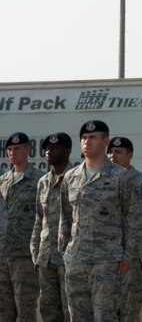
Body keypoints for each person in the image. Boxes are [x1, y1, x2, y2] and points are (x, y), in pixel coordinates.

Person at [59, 120, 142, 322]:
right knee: (78, 317)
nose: (87, 142)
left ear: (105, 141)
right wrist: (64, 252)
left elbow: (135, 219)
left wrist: (128, 256)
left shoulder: (121, 177)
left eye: (93, 137)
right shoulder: (70, 178)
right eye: (84, 138)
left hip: (107, 262)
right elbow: (65, 218)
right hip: (76, 260)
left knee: (105, 317)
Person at [31, 132, 74, 322]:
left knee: (70, 309)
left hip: (69, 257)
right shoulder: (43, 182)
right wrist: (36, 252)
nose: (49, 152)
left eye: (55, 148)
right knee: (48, 308)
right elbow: (40, 220)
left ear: (68, 150)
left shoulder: (76, 178)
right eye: (47, 149)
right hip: (46, 257)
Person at [106, 136, 142, 322]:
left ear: (129, 155)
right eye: (110, 152)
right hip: (107, 256)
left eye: (118, 152)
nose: (112, 156)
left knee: (129, 311)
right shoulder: (103, 181)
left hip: (134, 259)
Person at [0, 132, 41, 322]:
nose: (12, 152)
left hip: (25, 255)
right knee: (4, 310)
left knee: (25, 309)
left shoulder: (39, 180)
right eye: (9, 149)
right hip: (2, 255)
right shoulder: (2, 181)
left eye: (17, 148)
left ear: (27, 149)